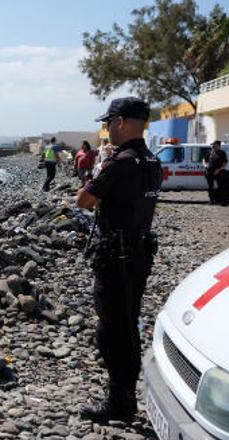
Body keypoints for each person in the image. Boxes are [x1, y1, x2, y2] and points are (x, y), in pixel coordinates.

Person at [76, 97, 162, 423]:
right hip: (139, 254)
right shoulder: (152, 161)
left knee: (111, 329)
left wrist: (99, 168)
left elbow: (84, 201)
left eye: (108, 122)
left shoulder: (120, 162)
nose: (106, 129)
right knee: (128, 324)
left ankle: (120, 402)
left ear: (122, 122)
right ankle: (125, 396)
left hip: (117, 256)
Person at [203, 140, 228, 205]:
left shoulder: (222, 153)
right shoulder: (210, 152)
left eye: (214, 145)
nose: (213, 146)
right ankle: (211, 200)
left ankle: (223, 201)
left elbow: (225, 163)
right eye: (212, 145)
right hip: (209, 172)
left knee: (221, 186)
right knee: (210, 187)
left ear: (218, 145)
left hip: (219, 172)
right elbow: (204, 159)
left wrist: (218, 169)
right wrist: (205, 165)